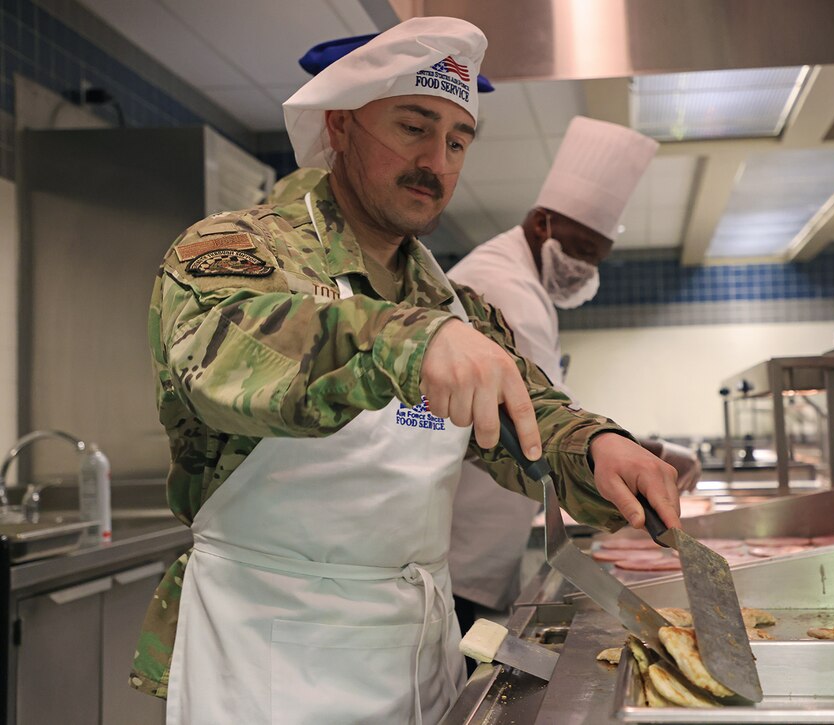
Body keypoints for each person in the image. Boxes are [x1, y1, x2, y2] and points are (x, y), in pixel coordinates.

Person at [130, 16, 681, 725]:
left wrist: (599, 448)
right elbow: (223, 359)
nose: (437, 162)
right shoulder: (237, 251)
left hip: (417, 660)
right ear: (340, 125)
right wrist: (408, 342)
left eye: (457, 140)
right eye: (413, 127)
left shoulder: (456, 304)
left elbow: (533, 414)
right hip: (270, 659)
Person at [446, 116, 703, 637]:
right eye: (581, 249)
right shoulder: (505, 287)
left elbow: (552, 404)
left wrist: (637, 446)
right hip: (462, 529)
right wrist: (631, 453)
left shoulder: (523, 279)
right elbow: (543, 424)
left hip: (483, 522)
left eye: (596, 257)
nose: (585, 267)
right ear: (543, 223)